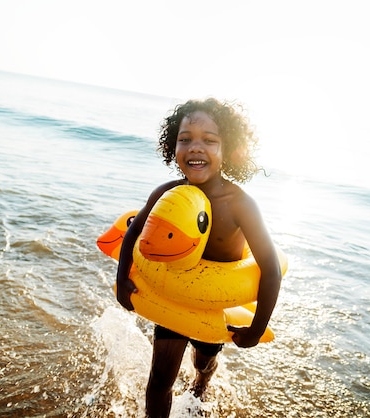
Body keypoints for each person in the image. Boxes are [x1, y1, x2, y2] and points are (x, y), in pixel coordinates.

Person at [115, 98, 282, 418]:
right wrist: (122, 279)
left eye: (209, 140)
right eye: (185, 138)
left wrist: (256, 329)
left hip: (213, 303)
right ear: (172, 146)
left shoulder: (239, 204)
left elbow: (270, 269)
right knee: (160, 378)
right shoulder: (167, 194)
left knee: (203, 361)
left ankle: (201, 385)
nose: (195, 147)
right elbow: (133, 233)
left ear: (229, 148)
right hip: (174, 297)